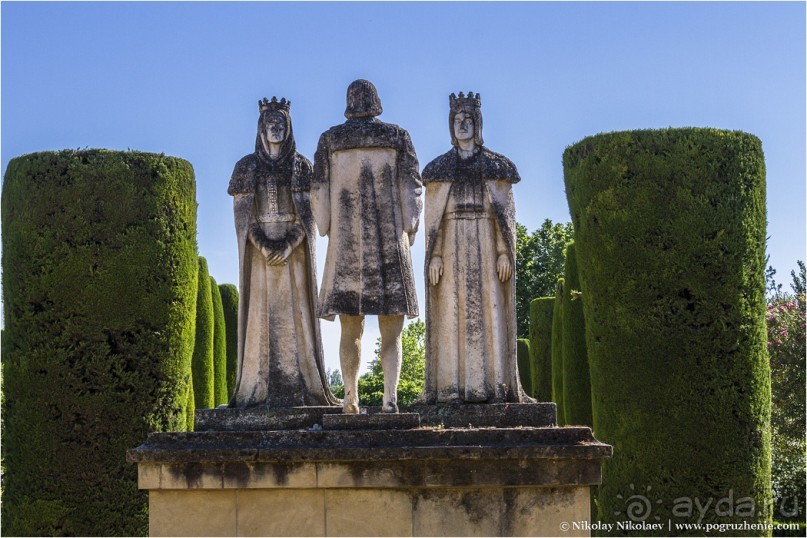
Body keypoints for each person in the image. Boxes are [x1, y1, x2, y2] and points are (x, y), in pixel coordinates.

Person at [312, 80, 422, 413]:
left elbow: (318, 191)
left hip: (346, 244)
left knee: (351, 326)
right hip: (389, 242)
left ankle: (350, 396)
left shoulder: (331, 140)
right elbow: (413, 187)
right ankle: (390, 398)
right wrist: (410, 227)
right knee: (392, 328)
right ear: (377, 101)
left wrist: (325, 226)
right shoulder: (397, 137)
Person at [420, 92, 533, 404]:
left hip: (484, 242)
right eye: (458, 120)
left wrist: (502, 251)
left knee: (490, 313)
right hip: (453, 244)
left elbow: (502, 217)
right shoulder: (440, 169)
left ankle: (494, 386)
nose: (463, 125)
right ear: (450, 126)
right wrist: (437, 254)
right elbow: (436, 220)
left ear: (478, 123)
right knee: (450, 316)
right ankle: (450, 388)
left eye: (468, 119)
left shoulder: (495, 166)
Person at [228, 97, 339, 408]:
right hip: (259, 255)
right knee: (258, 319)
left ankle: (303, 386)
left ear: (288, 128)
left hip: (294, 256)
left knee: (298, 317)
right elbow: (244, 219)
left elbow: (309, 215)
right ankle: (256, 388)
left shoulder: (302, 166)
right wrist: (264, 245)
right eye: (270, 124)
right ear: (261, 129)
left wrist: (288, 244)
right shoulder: (246, 167)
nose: (275, 129)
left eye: (280, 124)